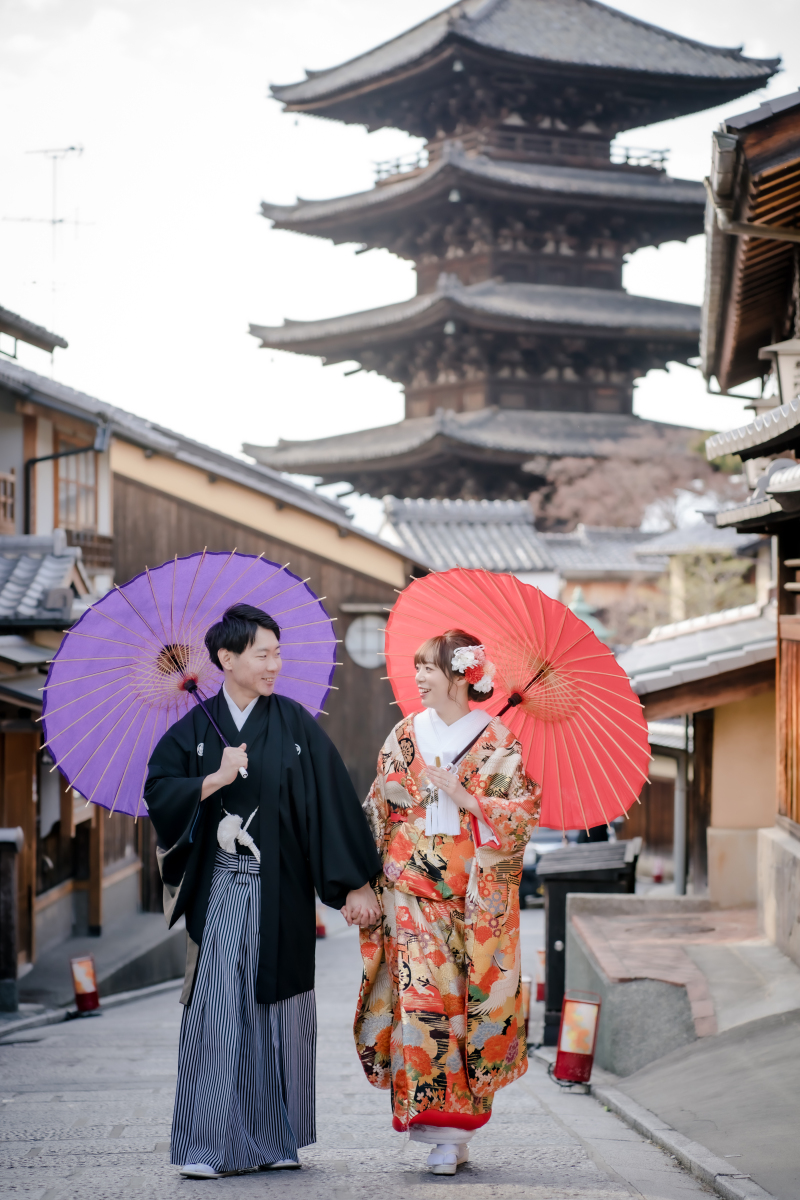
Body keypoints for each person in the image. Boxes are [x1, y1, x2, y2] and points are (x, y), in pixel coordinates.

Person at [145, 602, 381, 1179]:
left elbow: (331, 800)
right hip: (224, 886)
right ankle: (206, 1145)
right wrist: (213, 783)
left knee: (281, 1011)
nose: (275, 663)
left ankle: (276, 1138)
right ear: (226, 659)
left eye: (278, 652)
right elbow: (159, 792)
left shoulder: (295, 724)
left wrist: (354, 882)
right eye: (263, 653)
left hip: (283, 888)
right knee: (220, 1008)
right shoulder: (194, 731)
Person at [354, 630, 541, 1176]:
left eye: (429, 667)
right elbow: (376, 809)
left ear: (462, 676)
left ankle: (457, 1130)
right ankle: (436, 1128)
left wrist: (467, 798)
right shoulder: (404, 735)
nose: (418, 676)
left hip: (473, 902)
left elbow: (521, 816)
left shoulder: (499, 740)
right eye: (417, 666)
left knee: (464, 1009)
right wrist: (359, 881)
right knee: (422, 1008)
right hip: (410, 894)